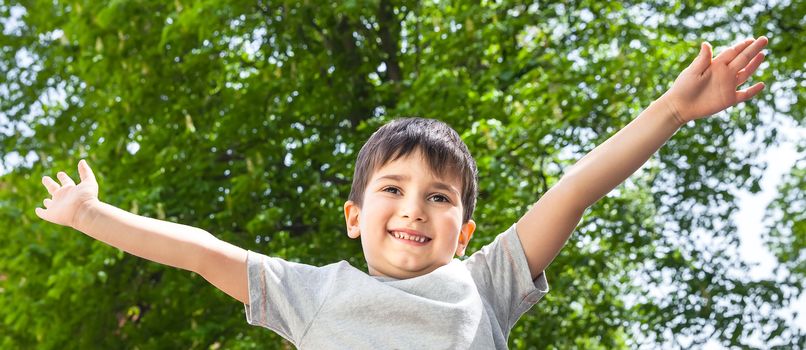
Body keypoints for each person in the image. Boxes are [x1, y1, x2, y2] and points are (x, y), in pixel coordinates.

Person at [35, 36, 769, 348]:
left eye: (441, 197)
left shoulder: (490, 286)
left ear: (466, 231)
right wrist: (93, 214)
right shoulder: (313, 294)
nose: (416, 206)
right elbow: (201, 253)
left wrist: (672, 110)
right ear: (355, 217)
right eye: (393, 189)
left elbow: (575, 190)